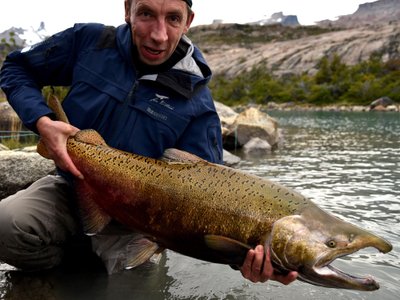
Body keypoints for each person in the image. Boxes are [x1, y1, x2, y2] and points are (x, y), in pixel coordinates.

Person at [0, 0, 297, 285]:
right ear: (127, 9)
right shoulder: (89, 42)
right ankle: (67, 269)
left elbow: (210, 206)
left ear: (188, 22)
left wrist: (245, 257)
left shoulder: (197, 104)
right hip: (72, 185)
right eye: (146, 14)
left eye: (172, 18)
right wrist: (41, 121)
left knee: (131, 291)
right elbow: (15, 68)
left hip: (138, 226)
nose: (158, 34)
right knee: (6, 225)